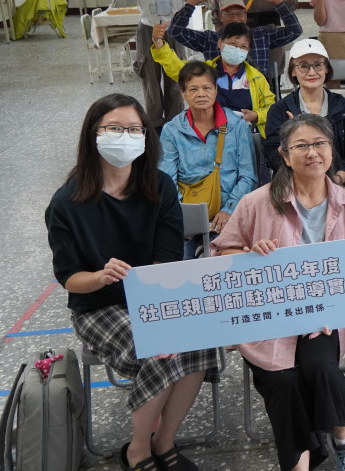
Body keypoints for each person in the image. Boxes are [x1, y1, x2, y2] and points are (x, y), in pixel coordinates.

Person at [46, 94, 217, 471]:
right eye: (114, 128)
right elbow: (70, 279)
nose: (125, 136)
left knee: (198, 340)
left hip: (154, 296)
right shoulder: (66, 204)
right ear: (94, 134)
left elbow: (168, 260)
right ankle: (138, 449)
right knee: (157, 349)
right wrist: (100, 276)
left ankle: (164, 440)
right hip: (99, 306)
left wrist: (157, 311)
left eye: (134, 129)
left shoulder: (159, 187)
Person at [211, 114, 345, 471]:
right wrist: (250, 256)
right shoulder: (256, 202)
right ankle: (305, 459)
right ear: (284, 155)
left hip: (326, 313)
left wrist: (337, 312)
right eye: (301, 146)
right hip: (270, 315)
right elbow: (221, 254)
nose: (312, 152)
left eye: (320, 144)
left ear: (332, 150)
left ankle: (342, 443)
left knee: (321, 368)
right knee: (283, 381)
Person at [159, 61, 258, 259]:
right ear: (183, 93)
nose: (201, 94)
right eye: (193, 89)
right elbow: (166, 179)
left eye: (206, 88)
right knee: (181, 266)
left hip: (230, 212)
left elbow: (249, 176)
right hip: (186, 213)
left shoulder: (237, 126)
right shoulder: (172, 130)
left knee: (229, 264)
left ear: (215, 90)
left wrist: (228, 210)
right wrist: (183, 215)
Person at [111, 0, 198, 129]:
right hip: (148, 30)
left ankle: (175, 121)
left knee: (175, 75)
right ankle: (155, 124)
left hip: (174, 30)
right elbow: (118, 3)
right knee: (150, 78)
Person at [263, 39, 345, 192]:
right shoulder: (279, 111)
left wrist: (337, 179)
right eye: (304, 66)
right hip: (293, 187)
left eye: (318, 64)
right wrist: (289, 139)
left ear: (326, 68)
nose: (312, 72)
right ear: (293, 70)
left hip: (338, 185)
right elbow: (271, 157)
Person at [151, 21, 275, 136]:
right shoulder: (204, 71)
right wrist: (159, 44)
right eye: (232, 44)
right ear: (220, 43)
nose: (237, 50)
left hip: (244, 136)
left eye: (243, 47)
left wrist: (256, 115)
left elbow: (271, 108)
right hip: (207, 135)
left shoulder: (256, 77)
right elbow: (176, 67)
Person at [168, 0, 302, 75]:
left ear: (246, 16)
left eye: (239, 14)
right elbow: (175, 30)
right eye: (229, 14)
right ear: (220, 16)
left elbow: (294, 30)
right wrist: (192, 1)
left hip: (255, 96)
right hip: (219, 97)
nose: (235, 18)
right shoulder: (209, 39)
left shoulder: (261, 35)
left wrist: (278, 1)